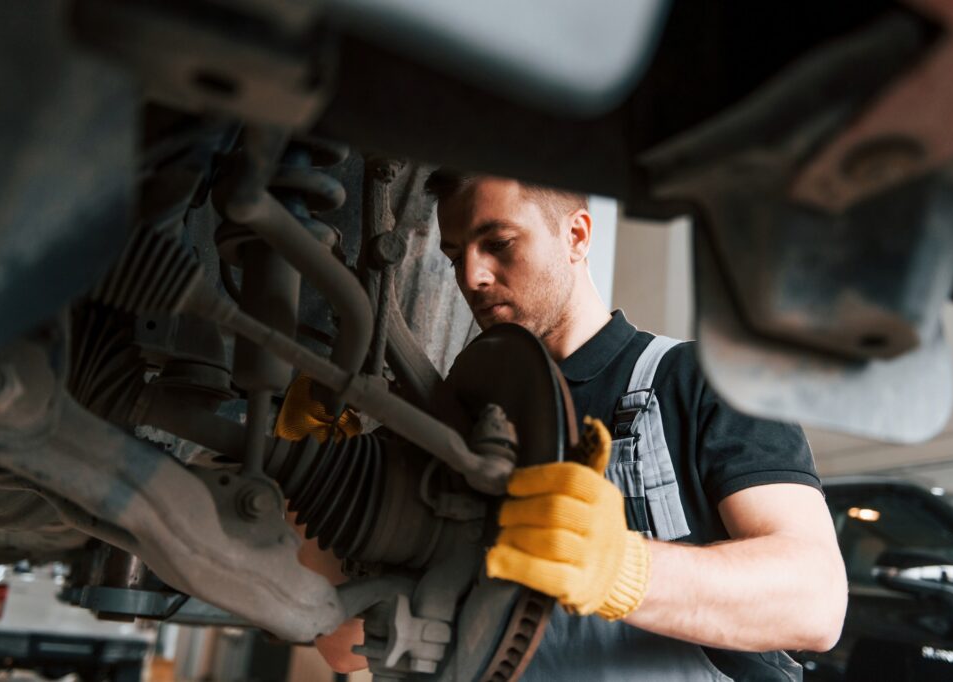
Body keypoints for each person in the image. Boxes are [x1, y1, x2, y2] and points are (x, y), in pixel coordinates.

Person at [308, 170, 847, 679]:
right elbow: (336, 642)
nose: (471, 276)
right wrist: (320, 472)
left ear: (577, 236)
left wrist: (622, 570)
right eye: (456, 256)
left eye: (498, 243)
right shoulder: (449, 422)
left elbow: (815, 602)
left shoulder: (705, 382)